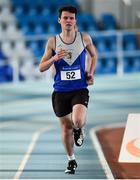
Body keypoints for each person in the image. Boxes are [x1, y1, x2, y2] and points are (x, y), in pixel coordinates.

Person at [39, 5, 97, 174]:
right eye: (65, 18)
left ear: (75, 20)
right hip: (60, 91)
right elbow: (41, 67)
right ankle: (71, 160)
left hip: (79, 88)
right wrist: (54, 58)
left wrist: (90, 72)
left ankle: (79, 128)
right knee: (66, 128)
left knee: (77, 121)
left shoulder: (84, 38)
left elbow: (94, 55)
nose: (68, 21)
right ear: (59, 20)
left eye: (71, 18)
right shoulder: (53, 42)